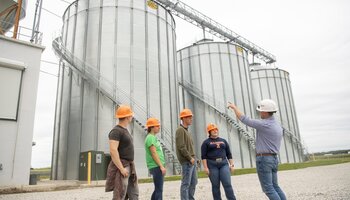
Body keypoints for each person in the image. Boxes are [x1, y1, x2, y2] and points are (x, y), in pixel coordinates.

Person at [228, 99, 286, 200]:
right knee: (275, 186)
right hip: (274, 158)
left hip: (264, 159)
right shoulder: (277, 125)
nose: (259, 112)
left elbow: (244, 119)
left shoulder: (264, 124)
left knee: (268, 189)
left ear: (265, 112)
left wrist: (234, 108)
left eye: (260, 111)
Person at [105, 105, 139, 200]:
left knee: (134, 194)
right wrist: (121, 168)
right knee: (120, 194)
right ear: (127, 117)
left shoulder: (124, 130)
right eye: (131, 115)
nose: (132, 117)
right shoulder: (116, 131)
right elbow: (113, 150)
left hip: (130, 165)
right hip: (123, 165)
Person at [201, 123, 236, 200]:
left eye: (216, 129)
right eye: (212, 130)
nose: (215, 131)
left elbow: (229, 154)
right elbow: (203, 156)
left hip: (224, 164)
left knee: (227, 184)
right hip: (212, 165)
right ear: (209, 132)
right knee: (215, 185)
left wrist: (232, 165)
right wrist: (206, 168)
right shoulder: (206, 142)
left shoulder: (223, 141)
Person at [175, 108, 198, 200]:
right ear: (183, 118)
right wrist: (190, 158)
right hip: (187, 161)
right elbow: (181, 147)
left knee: (194, 182)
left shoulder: (186, 131)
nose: (191, 119)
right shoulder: (180, 130)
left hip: (192, 161)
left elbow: (189, 147)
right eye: (189, 117)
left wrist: (194, 158)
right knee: (186, 184)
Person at [144, 117, 166, 200]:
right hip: (156, 166)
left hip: (157, 166)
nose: (159, 127)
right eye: (157, 126)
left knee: (157, 189)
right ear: (152, 127)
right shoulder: (150, 138)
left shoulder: (153, 137)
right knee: (159, 190)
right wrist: (161, 166)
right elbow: (153, 153)